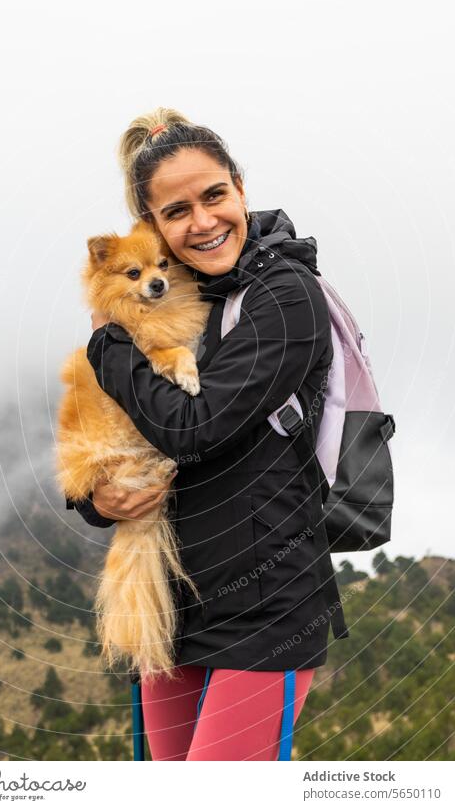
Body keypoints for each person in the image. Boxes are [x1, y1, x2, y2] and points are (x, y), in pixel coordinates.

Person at [66, 107, 347, 760]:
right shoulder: (168, 294)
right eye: (176, 210)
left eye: (214, 195)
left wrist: (108, 345)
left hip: (264, 614)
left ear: (240, 189)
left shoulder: (285, 295)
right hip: (168, 606)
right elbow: (108, 424)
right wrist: (94, 499)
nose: (202, 220)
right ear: (153, 224)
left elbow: (190, 429)